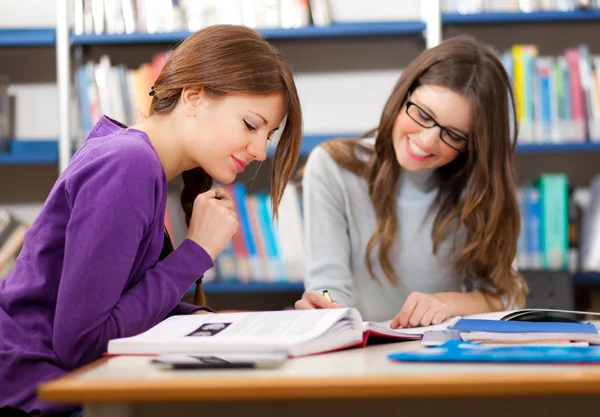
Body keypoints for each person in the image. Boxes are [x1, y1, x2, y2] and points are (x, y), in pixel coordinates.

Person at [0, 24, 302, 417]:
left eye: (269, 134)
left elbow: (121, 312)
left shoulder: (134, 159)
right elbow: (82, 346)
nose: (261, 150)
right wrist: (195, 252)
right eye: (250, 125)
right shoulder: (129, 164)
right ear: (193, 97)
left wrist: (282, 327)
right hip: (31, 393)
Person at [294, 35, 527, 327]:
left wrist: (446, 302)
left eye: (454, 135)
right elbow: (326, 285)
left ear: (473, 146)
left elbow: (507, 297)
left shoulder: (476, 188)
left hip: (443, 360)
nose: (427, 141)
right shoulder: (332, 167)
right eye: (423, 114)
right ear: (403, 95)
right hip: (360, 356)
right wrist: (325, 303)